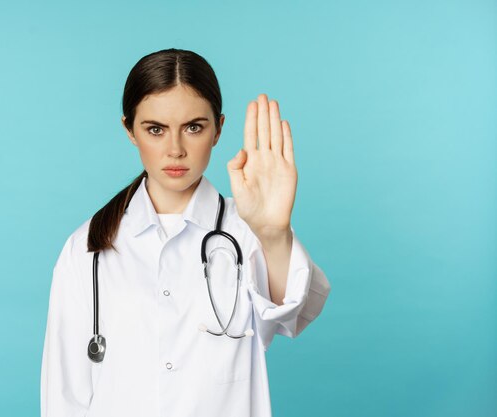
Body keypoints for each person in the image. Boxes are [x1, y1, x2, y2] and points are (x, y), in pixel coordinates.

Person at [40, 48, 331, 417]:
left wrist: (274, 233)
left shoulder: (248, 231)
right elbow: (64, 395)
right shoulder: (86, 249)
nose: (175, 149)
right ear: (129, 130)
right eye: (155, 129)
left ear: (218, 129)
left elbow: (297, 313)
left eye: (193, 127)